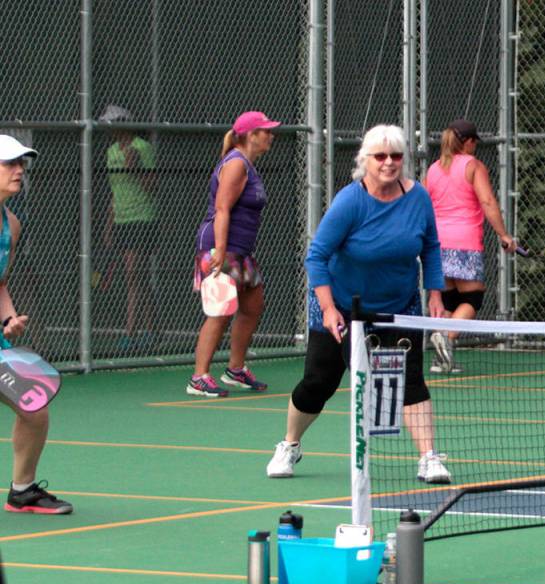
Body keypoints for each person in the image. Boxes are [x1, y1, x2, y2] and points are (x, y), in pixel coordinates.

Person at [266, 124, 452, 484]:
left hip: (398, 306)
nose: (388, 162)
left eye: (396, 156)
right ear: (365, 160)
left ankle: (429, 458)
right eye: (380, 156)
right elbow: (317, 256)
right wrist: (329, 309)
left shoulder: (418, 199)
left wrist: (435, 294)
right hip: (340, 305)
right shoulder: (350, 201)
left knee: (410, 381)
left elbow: (430, 246)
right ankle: (290, 444)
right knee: (318, 383)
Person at [0, 135, 72, 515]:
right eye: (9, 163)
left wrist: (9, 318)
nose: (19, 170)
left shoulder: (10, 223)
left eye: (21, 163)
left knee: (33, 407)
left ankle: (23, 490)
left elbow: (0, 282)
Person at [187, 110, 279, 397]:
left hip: (242, 249)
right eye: (265, 131)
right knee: (221, 311)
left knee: (252, 306)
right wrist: (221, 251)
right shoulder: (236, 164)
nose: (270, 136)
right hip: (221, 246)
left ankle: (236, 369)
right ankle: (199, 377)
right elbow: (222, 208)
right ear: (251, 135)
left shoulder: (249, 166)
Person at [424, 119, 517, 374]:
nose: (475, 146)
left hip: (437, 243)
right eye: (474, 141)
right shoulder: (473, 166)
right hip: (464, 241)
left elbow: (423, 205)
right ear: (467, 142)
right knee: (472, 297)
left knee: (447, 299)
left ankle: (442, 358)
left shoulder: (433, 169)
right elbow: (487, 201)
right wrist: (504, 235)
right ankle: (445, 337)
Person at [99, 104, 157, 351]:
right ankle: (152, 329)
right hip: (121, 219)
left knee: (133, 273)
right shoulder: (111, 151)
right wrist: (108, 225)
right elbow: (115, 190)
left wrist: (136, 167)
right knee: (137, 275)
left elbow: (152, 186)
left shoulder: (142, 148)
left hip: (142, 217)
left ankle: (130, 332)